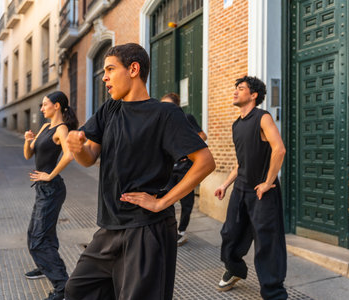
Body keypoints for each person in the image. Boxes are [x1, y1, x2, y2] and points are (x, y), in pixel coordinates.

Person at [65, 43, 215, 300]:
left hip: (148, 230)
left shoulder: (164, 114)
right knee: (78, 289)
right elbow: (89, 157)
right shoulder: (109, 109)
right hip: (110, 227)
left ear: (133, 69)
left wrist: (162, 202)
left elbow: (205, 161)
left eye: (110, 69)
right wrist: (76, 148)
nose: (104, 77)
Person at [214, 76, 287, 299]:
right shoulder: (237, 124)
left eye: (241, 88)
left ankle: (274, 293)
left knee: (267, 243)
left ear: (253, 95)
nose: (235, 92)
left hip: (263, 192)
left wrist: (268, 182)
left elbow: (279, 149)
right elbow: (240, 162)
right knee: (229, 234)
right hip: (241, 190)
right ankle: (235, 269)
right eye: (235, 88)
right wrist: (225, 184)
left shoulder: (262, 118)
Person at [23, 91, 79, 300]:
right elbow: (29, 154)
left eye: (45, 104)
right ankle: (45, 266)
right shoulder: (45, 127)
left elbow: (69, 154)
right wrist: (27, 140)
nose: (41, 108)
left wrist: (50, 175)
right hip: (42, 189)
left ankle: (62, 287)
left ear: (56, 106)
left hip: (51, 189)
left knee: (38, 239)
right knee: (38, 233)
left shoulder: (61, 129)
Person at [161, 92, 207, 246]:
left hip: (186, 168)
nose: (164, 108)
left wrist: (189, 149)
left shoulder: (187, 118)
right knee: (164, 198)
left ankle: (181, 232)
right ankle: (167, 229)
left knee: (187, 202)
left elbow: (202, 136)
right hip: (169, 168)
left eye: (168, 104)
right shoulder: (162, 122)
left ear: (176, 106)